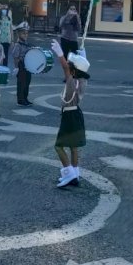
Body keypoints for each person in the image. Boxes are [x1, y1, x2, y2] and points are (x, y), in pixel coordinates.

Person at [50, 39, 90, 188]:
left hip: (69, 116)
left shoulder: (72, 82)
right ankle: (75, 174)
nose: (68, 67)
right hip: (76, 114)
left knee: (58, 146)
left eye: (71, 66)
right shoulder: (82, 80)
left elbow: (66, 68)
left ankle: (69, 174)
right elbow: (79, 68)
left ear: (73, 70)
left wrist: (60, 54)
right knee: (73, 146)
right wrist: (83, 58)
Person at [12, 21, 33, 106]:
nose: (25, 35)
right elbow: (15, 57)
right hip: (21, 65)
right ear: (18, 34)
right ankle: (20, 100)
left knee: (27, 82)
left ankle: (25, 98)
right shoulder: (18, 45)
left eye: (26, 33)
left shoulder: (26, 44)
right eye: (23, 33)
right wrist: (16, 67)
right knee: (21, 83)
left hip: (27, 66)